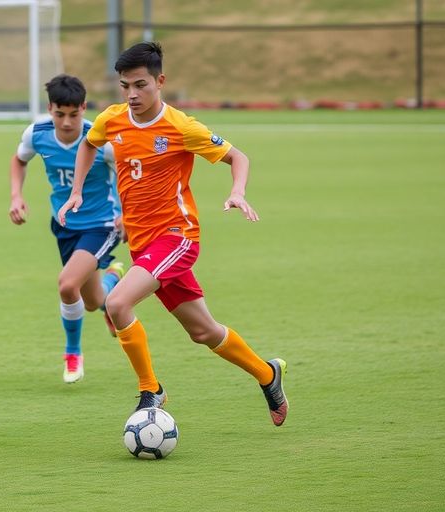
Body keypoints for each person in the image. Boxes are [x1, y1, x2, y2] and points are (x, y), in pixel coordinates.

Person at [57, 42, 288, 426]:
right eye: (125, 85)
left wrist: (236, 191)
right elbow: (88, 144)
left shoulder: (181, 126)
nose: (132, 94)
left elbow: (237, 156)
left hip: (177, 237)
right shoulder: (111, 119)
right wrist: (77, 190)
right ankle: (268, 374)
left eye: (141, 85)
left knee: (116, 306)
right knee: (203, 331)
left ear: (160, 81)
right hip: (145, 245)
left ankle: (151, 390)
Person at [9, 74, 125, 384]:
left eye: (74, 114)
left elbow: (128, 172)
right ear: (50, 109)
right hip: (64, 225)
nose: (67, 122)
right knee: (90, 301)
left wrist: (126, 214)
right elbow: (19, 161)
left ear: (84, 108)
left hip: (102, 225)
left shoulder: (100, 140)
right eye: (60, 114)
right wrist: (16, 196)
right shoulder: (38, 134)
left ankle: (73, 354)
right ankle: (113, 281)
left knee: (66, 284)